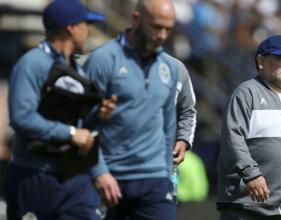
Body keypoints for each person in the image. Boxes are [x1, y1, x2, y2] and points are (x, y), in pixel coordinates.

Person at [5, 0, 116, 219]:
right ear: (71, 27)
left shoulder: (77, 72)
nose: (89, 30)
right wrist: (71, 134)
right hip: (35, 177)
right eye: (86, 24)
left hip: (74, 180)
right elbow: (22, 117)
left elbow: (85, 130)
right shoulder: (32, 64)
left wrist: (99, 116)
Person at [84, 0, 192, 219]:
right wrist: (99, 171)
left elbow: (169, 125)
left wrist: (165, 173)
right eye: (156, 27)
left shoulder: (170, 68)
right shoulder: (102, 60)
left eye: (168, 29)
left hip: (155, 181)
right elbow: (81, 124)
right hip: (110, 178)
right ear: (135, 19)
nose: (162, 35)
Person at [216, 35, 281, 220]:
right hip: (247, 204)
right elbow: (233, 138)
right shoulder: (246, 93)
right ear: (261, 61)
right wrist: (252, 175)